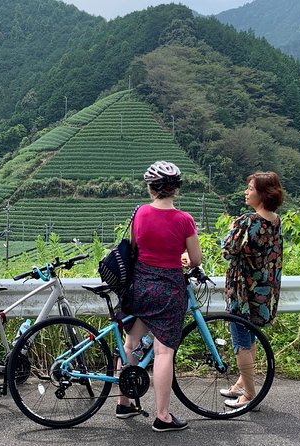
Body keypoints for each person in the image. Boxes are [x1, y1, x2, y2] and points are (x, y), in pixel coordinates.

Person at [115, 161, 202, 432]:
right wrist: (184, 258)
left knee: (130, 343)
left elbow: (136, 247)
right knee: (164, 351)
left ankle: (124, 403)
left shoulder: (140, 213)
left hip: (139, 288)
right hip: (168, 291)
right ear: (175, 188)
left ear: (152, 188)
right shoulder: (184, 220)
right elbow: (196, 259)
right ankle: (163, 416)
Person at [220, 171, 284, 408]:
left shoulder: (248, 221)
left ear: (262, 194)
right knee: (251, 334)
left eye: (250, 188)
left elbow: (227, 249)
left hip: (242, 289)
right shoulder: (275, 220)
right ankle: (240, 384)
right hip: (263, 289)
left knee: (240, 341)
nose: (246, 192)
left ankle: (249, 394)